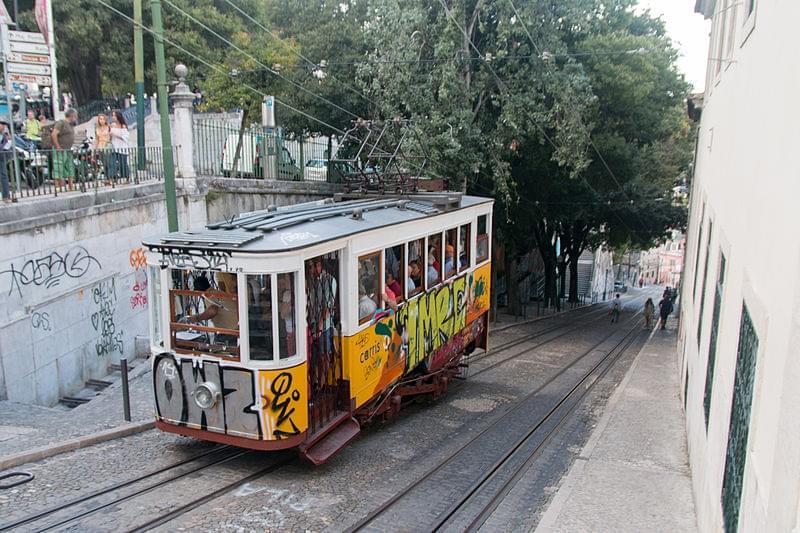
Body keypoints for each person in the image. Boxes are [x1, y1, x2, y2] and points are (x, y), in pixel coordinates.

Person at [185, 274, 239, 349]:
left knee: (219, 351)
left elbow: (213, 311)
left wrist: (196, 318)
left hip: (229, 331)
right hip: (235, 327)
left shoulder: (210, 296)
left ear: (198, 290)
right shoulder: (216, 292)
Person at [51, 108, 78, 190]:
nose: (76, 117)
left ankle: (71, 186)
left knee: (70, 167)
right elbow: (54, 134)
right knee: (58, 167)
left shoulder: (70, 124)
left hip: (68, 149)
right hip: (60, 149)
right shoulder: (61, 123)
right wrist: (58, 146)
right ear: (72, 115)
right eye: (75, 116)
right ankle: (57, 187)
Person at [109, 111, 130, 180]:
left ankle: (126, 177)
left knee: (123, 163)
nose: (113, 117)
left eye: (114, 116)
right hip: (114, 147)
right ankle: (112, 177)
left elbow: (126, 137)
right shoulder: (112, 125)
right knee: (112, 163)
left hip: (122, 147)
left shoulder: (123, 126)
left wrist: (116, 135)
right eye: (112, 116)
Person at [0, 125, 12, 203]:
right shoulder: (4, 129)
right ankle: (6, 196)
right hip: (2, 153)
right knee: (3, 175)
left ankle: (6, 196)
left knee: (3, 175)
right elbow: (9, 140)